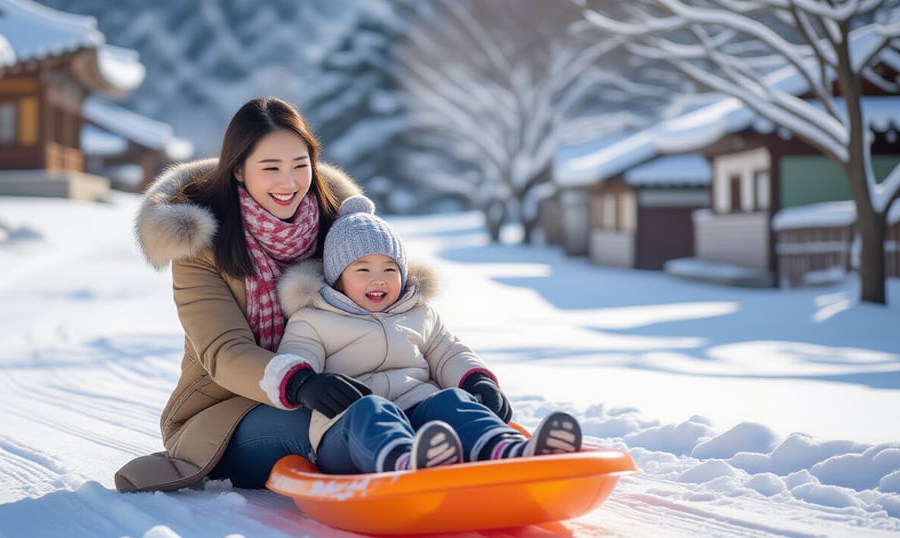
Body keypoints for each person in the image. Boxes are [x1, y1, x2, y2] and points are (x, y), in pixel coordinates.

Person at [114, 97, 375, 492]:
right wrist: (301, 383)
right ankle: (400, 466)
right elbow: (224, 351)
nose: (289, 183)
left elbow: (395, 313)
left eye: (300, 166)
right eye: (270, 168)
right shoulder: (201, 248)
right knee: (333, 423)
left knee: (408, 401)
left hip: (340, 388)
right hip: (226, 412)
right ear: (238, 170)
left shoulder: (337, 231)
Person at [259, 195, 582, 474]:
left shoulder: (418, 313)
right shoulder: (313, 319)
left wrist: (477, 381)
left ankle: (509, 449)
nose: (378, 279)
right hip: (348, 430)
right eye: (363, 270)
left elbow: (449, 352)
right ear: (337, 277)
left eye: (390, 269)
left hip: (420, 417)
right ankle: (405, 461)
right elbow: (295, 355)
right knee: (372, 410)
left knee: (452, 401)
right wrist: (303, 382)